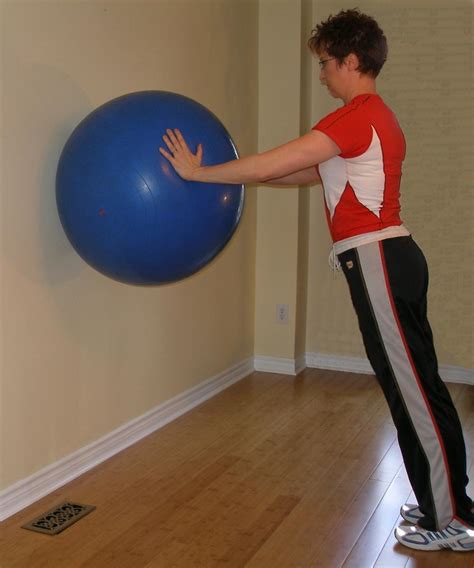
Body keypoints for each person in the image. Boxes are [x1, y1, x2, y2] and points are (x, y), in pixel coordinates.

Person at [159, 8, 474, 553]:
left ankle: (451, 520)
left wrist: (198, 173)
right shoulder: (374, 118)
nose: (323, 74)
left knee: (413, 390)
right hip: (390, 257)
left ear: (352, 61)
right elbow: (306, 172)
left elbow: (269, 164)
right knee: (417, 384)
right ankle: (442, 498)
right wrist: (242, 183)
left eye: (327, 63)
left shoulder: (355, 116)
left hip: (378, 258)